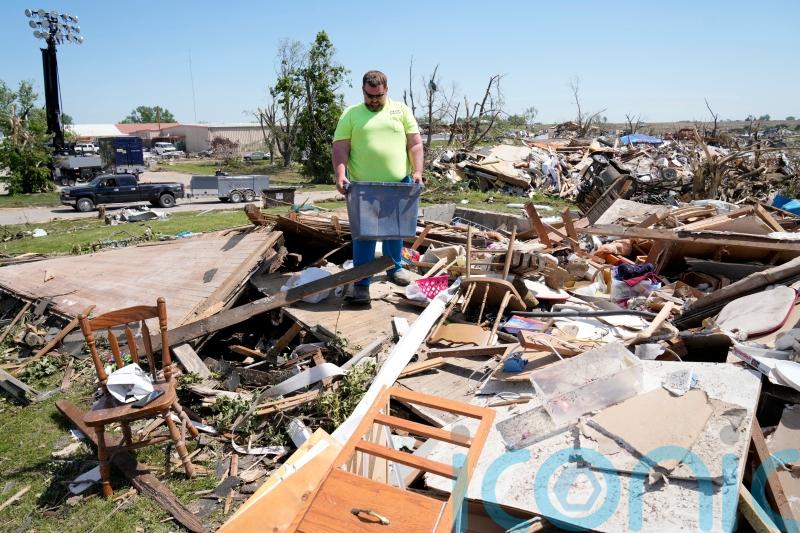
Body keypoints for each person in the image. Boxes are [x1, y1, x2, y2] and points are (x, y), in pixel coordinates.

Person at [332, 70, 424, 303]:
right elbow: (341, 147)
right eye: (370, 96)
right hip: (364, 186)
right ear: (363, 90)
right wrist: (341, 174)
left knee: (395, 231)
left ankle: (395, 268)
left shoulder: (401, 110)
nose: (374, 101)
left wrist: (417, 171)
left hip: (398, 184)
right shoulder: (351, 114)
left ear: (386, 91)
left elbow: (414, 143)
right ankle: (362, 282)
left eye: (379, 96)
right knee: (364, 236)